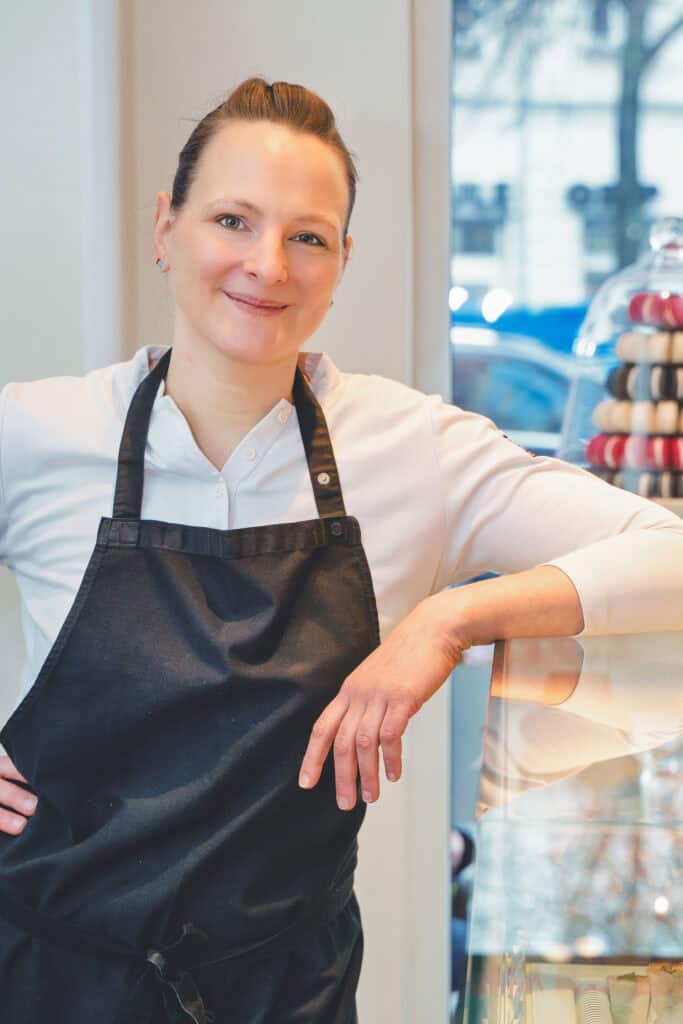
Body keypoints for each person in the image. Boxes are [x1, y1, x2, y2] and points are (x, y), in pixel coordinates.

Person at [0, 76, 682, 1023]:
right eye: (232, 220)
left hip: (286, 990)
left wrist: (447, 620)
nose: (267, 265)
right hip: (49, 981)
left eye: (307, 237)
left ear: (341, 261)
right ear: (166, 227)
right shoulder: (38, 432)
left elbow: (666, 552)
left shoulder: (411, 448)